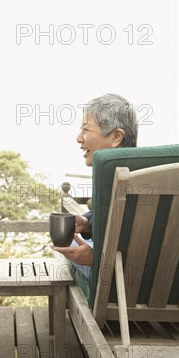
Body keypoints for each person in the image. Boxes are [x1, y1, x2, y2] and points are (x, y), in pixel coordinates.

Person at [53, 93, 138, 273]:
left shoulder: (109, 175)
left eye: (86, 130)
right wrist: (87, 222)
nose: (78, 138)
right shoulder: (160, 173)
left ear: (116, 136)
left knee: (63, 261)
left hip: (119, 281)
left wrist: (95, 256)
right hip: (165, 281)